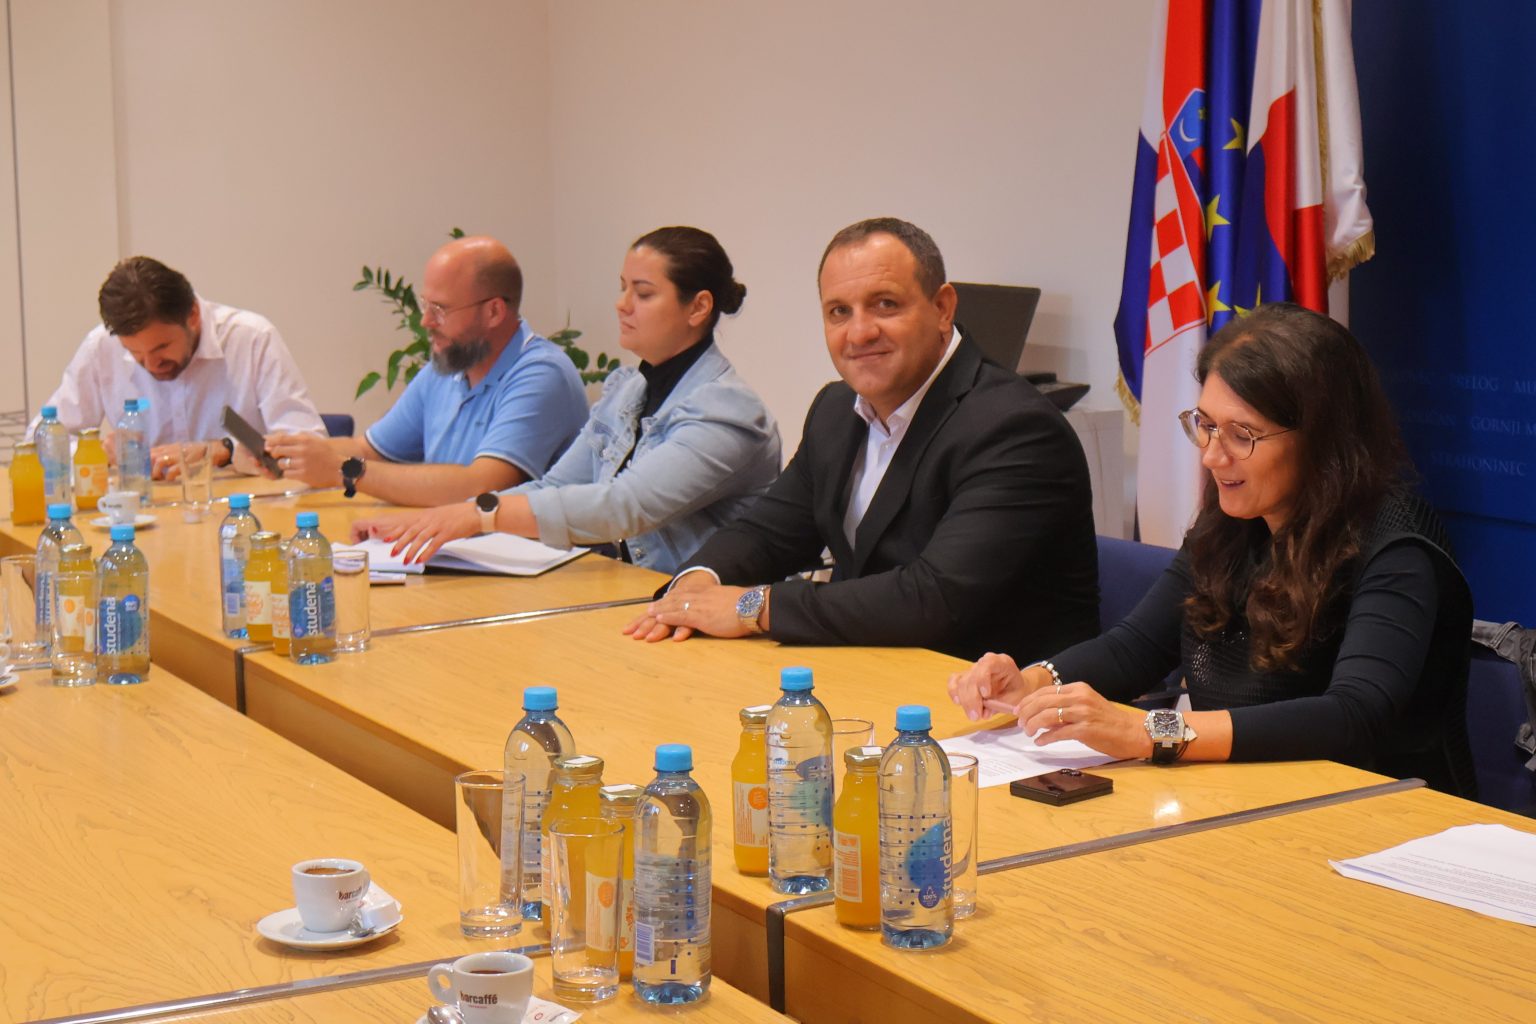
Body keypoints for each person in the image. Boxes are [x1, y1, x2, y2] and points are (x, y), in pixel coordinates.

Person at [948, 302, 1477, 798]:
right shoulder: (1232, 521)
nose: (1211, 457)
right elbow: (1136, 648)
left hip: (1374, 814)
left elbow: (1353, 715)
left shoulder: (1397, 546)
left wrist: (1151, 731)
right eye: (1205, 426)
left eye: (1241, 435)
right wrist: (1034, 683)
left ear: (1322, 439)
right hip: (1237, 795)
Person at [625, 217, 1099, 663]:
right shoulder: (836, 408)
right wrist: (695, 583)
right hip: (870, 670)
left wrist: (755, 607)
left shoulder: (1014, 428)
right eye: (839, 312)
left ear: (942, 308)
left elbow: (933, 599)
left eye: (885, 304)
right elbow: (768, 532)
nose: (859, 332)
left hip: (1000, 702)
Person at [350, 227, 781, 575]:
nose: (622, 305)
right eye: (622, 288)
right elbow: (553, 487)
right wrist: (429, 522)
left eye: (644, 293)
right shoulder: (628, 390)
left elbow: (624, 507)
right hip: (629, 597)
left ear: (698, 307)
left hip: (700, 618)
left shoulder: (727, 410)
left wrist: (478, 515)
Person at [265, 236, 587, 506]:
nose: (425, 321)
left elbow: (481, 488)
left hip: (528, 558)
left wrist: (345, 471)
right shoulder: (447, 368)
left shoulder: (541, 374)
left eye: (440, 309)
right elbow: (370, 451)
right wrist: (284, 453)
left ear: (493, 312)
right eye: (425, 305)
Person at [35, 255, 326, 478]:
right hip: (145, 516)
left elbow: (310, 449)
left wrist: (223, 451)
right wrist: (94, 452)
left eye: (161, 347)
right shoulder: (100, 347)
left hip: (243, 514)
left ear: (193, 316)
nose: (151, 364)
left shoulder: (252, 339)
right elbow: (39, 443)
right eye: (134, 353)